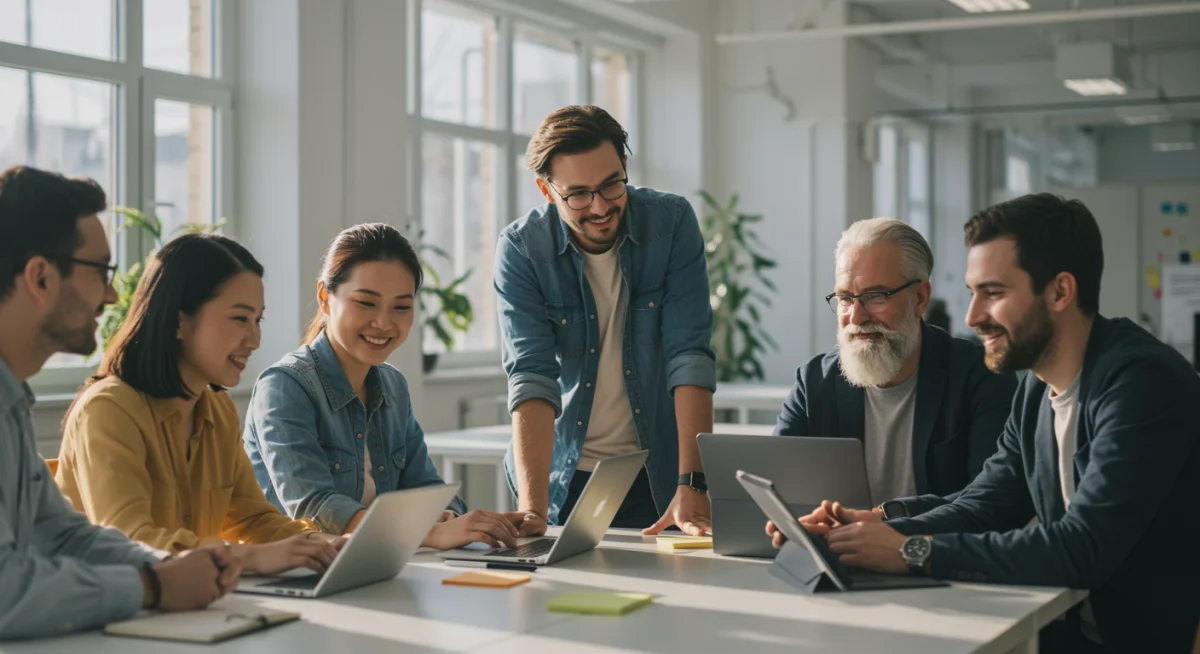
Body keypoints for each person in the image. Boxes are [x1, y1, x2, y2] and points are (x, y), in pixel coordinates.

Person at [768, 194, 1200, 652]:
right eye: (973, 293)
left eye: (993, 293)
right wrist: (872, 527)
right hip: (1069, 633)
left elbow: (1082, 549)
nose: (973, 317)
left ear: (1059, 291)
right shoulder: (1039, 387)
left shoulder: (1141, 382)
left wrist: (911, 551)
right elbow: (986, 505)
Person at [0, 166, 240, 640]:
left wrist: (171, 566)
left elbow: (63, 536)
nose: (112, 295)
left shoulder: (12, 403)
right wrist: (151, 585)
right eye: (101, 272)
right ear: (41, 277)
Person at [56, 233, 341, 576]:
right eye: (240, 319)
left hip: (188, 606)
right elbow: (131, 542)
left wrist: (321, 545)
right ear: (178, 321)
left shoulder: (217, 410)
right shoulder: (107, 410)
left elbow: (253, 519)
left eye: (258, 320)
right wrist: (246, 558)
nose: (254, 340)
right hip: (111, 612)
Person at [494, 105, 716, 537]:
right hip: (561, 475)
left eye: (612, 185)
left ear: (625, 165)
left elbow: (688, 355)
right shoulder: (522, 249)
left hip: (660, 473)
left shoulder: (670, 224)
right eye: (577, 194)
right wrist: (533, 509)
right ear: (546, 189)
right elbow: (531, 375)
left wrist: (693, 482)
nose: (600, 207)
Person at [244, 223, 522, 550]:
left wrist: (453, 518)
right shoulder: (284, 387)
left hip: (380, 566)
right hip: (303, 574)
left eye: (401, 307)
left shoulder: (392, 385)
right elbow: (314, 508)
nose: (384, 323)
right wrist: (428, 533)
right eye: (366, 303)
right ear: (325, 297)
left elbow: (425, 488)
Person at [776, 218, 1017, 518]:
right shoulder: (814, 383)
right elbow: (776, 491)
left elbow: (993, 501)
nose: (856, 317)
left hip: (938, 559)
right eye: (845, 299)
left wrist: (883, 521)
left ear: (920, 298)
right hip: (835, 558)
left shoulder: (979, 375)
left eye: (875, 296)